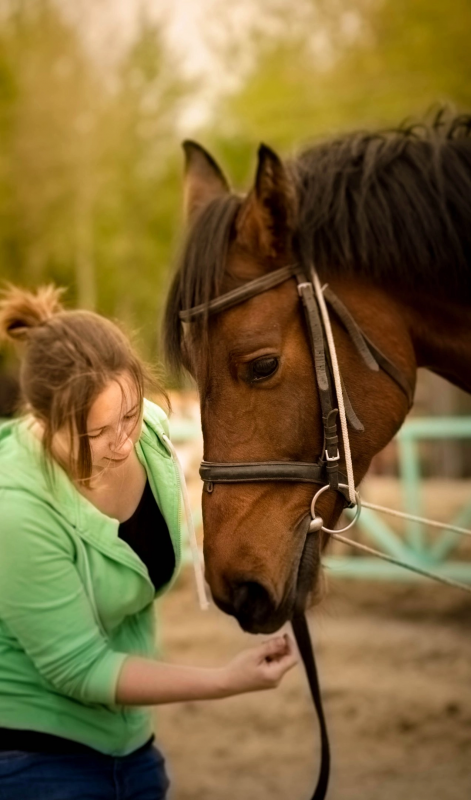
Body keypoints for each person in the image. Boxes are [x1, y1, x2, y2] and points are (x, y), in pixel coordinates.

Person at [0, 285, 297, 800]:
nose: (123, 442)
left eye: (130, 414)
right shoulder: (16, 510)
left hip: (132, 744)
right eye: (96, 434)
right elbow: (82, 668)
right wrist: (226, 680)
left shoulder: (152, 434)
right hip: (32, 756)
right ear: (44, 424)